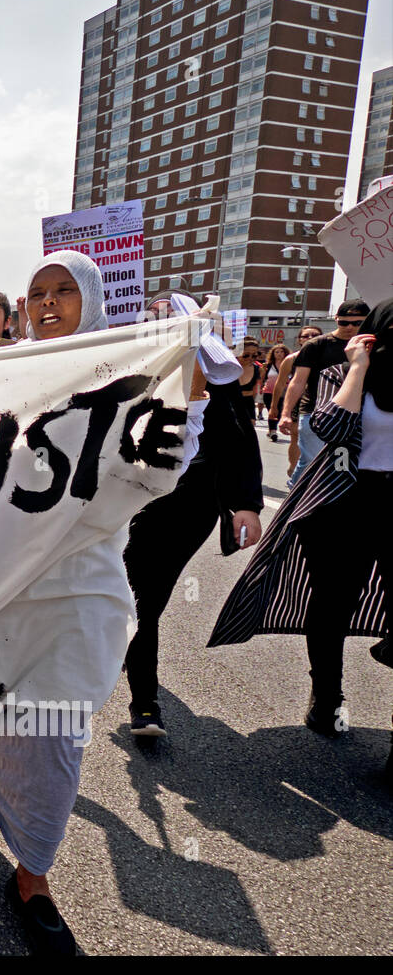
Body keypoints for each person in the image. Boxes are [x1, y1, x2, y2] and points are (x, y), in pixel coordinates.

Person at [0, 250, 156, 954]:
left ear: (91, 298)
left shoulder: (135, 382)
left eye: (64, 291)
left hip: (77, 596)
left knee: (54, 736)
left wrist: (201, 396)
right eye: (37, 294)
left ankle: (34, 874)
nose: (48, 303)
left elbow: (157, 473)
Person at [210, 299, 393, 783]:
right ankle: (326, 699)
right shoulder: (344, 375)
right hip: (341, 504)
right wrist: (358, 367)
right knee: (331, 606)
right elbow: (331, 427)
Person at [122, 292, 264, 736]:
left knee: (148, 598)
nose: (163, 322)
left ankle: (140, 687)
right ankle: (138, 689)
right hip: (130, 500)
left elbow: (240, 442)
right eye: (155, 316)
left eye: (171, 316)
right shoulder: (128, 372)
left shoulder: (217, 380)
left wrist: (247, 505)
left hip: (190, 505)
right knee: (129, 593)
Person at [278, 301, 370, 489]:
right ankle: (297, 497)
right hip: (316, 412)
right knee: (312, 461)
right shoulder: (316, 345)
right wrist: (285, 414)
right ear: (336, 320)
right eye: (344, 323)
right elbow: (297, 381)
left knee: (341, 464)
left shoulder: (371, 345)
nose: (350, 327)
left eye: (357, 323)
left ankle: (330, 500)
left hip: (355, 416)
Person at [270, 326, 324, 477]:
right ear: (299, 340)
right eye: (306, 336)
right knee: (296, 437)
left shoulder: (328, 355)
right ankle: (294, 471)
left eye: (315, 335)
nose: (310, 338)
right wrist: (274, 407)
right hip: (298, 401)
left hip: (324, 400)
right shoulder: (291, 359)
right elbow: (280, 384)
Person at [263, 343, 290, 441]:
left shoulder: (289, 364)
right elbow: (263, 377)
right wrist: (261, 387)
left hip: (283, 392)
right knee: (272, 411)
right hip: (269, 392)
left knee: (279, 412)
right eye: (277, 352)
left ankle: (271, 430)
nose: (279, 354)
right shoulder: (269, 365)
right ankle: (273, 431)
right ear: (273, 354)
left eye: (281, 352)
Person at [237, 335, 263, 424]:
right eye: (246, 355)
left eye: (254, 355)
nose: (250, 358)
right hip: (229, 404)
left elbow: (255, 391)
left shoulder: (257, 369)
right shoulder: (229, 368)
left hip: (248, 403)